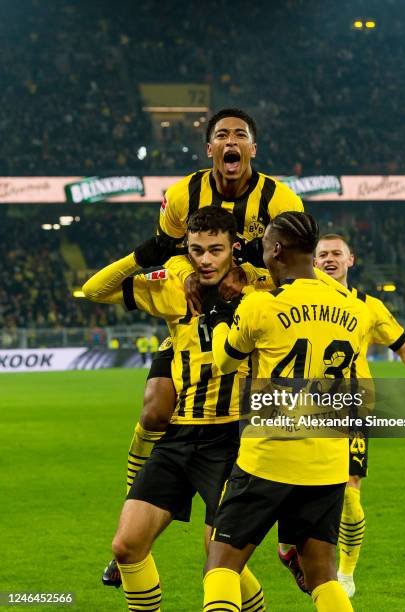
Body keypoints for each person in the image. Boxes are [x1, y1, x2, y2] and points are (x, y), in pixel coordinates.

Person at [99, 107, 305, 587]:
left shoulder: (279, 197)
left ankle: (292, 539)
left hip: (249, 313)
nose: (231, 142)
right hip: (190, 314)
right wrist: (190, 278)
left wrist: (253, 270)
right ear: (209, 147)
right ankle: (136, 510)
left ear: (253, 147)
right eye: (221, 135)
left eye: (240, 135)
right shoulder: (182, 195)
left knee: (274, 416)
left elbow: (298, 262)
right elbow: (166, 250)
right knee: (154, 412)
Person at [83, 208, 266, 612]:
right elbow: (93, 290)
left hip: (233, 439)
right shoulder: (172, 288)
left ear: (233, 249)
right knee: (127, 546)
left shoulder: (258, 291)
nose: (205, 259)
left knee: (219, 559)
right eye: (197, 250)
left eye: (216, 250)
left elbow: (308, 280)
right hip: (180, 436)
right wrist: (143, 255)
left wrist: (255, 263)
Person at [202, 212, 370, 611]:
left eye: (264, 247)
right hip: (328, 460)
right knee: (323, 576)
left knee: (221, 566)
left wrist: (220, 317)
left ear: (276, 249)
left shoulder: (261, 305)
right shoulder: (354, 308)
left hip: (269, 456)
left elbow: (224, 362)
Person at [278, 233, 405, 598]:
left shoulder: (369, 306)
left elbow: (404, 348)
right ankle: (289, 544)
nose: (328, 259)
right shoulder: (301, 298)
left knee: (350, 493)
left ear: (350, 260)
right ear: (313, 260)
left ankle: (345, 572)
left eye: (335, 254)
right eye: (322, 254)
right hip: (306, 405)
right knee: (293, 484)